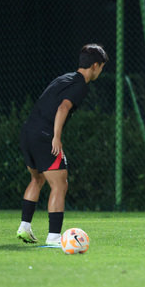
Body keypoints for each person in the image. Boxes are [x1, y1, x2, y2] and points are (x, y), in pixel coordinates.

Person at [16, 44, 108, 246]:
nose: (100, 71)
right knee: (60, 184)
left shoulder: (63, 78)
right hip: (44, 135)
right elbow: (63, 106)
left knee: (37, 178)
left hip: (28, 132)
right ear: (95, 65)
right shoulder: (81, 85)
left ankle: (25, 226)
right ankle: (54, 237)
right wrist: (56, 136)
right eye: (101, 67)